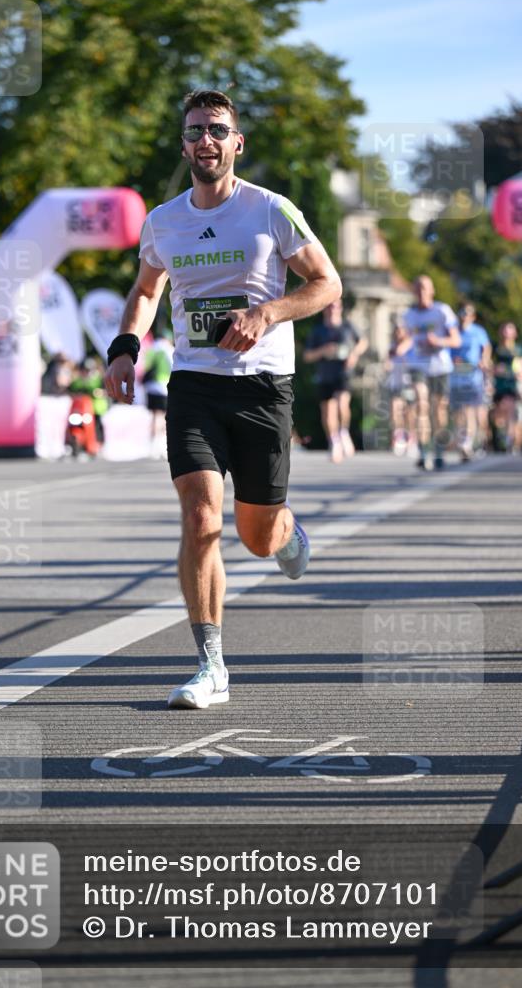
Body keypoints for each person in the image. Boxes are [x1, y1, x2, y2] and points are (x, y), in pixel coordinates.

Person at [104, 89, 341, 710]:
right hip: (195, 385)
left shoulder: (271, 210)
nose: (204, 141)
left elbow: (326, 284)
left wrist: (267, 312)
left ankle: (285, 533)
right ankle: (211, 664)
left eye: (216, 130)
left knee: (256, 535)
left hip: (265, 386)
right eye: (194, 131)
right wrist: (125, 345)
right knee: (200, 513)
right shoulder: (163, 221)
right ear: (183, 146)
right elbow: (147, 288)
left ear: (238, 143)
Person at [404, 275, 461, 470]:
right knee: (421, 404)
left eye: (425, 288)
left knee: (438, 411)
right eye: (418, 288)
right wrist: (397, 350)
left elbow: (456, 340)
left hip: (440, 367)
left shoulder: (442, 311)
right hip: (418, 365)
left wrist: (438, 342)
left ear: (432, 291)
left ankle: (438, 451)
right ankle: (422, 451)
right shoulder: (409, 315)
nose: (421, 291)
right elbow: (406, 339)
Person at [303, 299, 367, 462]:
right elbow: (307, 356)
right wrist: (323, 351)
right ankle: (334, 441)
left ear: (340, 308)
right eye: (330, 306)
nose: (333, 309)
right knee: (327, 412)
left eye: (336, 306)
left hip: (343, 373)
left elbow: (363, 342)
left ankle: (343, 432)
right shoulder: (318, 330)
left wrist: (353, 354)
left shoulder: (347, 326)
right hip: (325, 374)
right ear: (325, 309)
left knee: (342, 405)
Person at [450, 302, 492, 461]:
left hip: (472, 375)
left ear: (473, 317)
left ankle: (466, 444)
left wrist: (484, 360)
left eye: (467, 314)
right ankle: (462, 440)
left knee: (469, 410)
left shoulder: (478, 332)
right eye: (462, 313)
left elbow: (486, 348)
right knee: (458, 412)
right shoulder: (453, 330)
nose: (464, 317)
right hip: (455, 375)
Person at [492, 322, 522, 453]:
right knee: (498, 416)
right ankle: (504, 436)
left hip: (513, 384)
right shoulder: (495, 348)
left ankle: (510, 442)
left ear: (515, 333)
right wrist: (494, 369)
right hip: (498, 384)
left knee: (510, 412)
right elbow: (487, 362)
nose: (506, 333)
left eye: (509, 330)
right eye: (504, 330)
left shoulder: (519, 348)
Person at [385, 319, 416, 457]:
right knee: (395, 410)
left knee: (409, 413)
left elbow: (401, 350)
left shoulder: (410, 343)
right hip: (396, 383)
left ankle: (411, 439)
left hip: (409, 383)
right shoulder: (391, 346)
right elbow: (388, 363)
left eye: (400, 329)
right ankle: (399, 437)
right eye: (396, 330)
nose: (398, 332)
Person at [142, 328, 174, 458]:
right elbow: (173, 365)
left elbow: (145, 365)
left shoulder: (151, 348)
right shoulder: (167, 348)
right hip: (163, 385)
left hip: (150, 385)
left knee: (155, 415)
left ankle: (152, 444)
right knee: (163, 416)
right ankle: (161, 445)